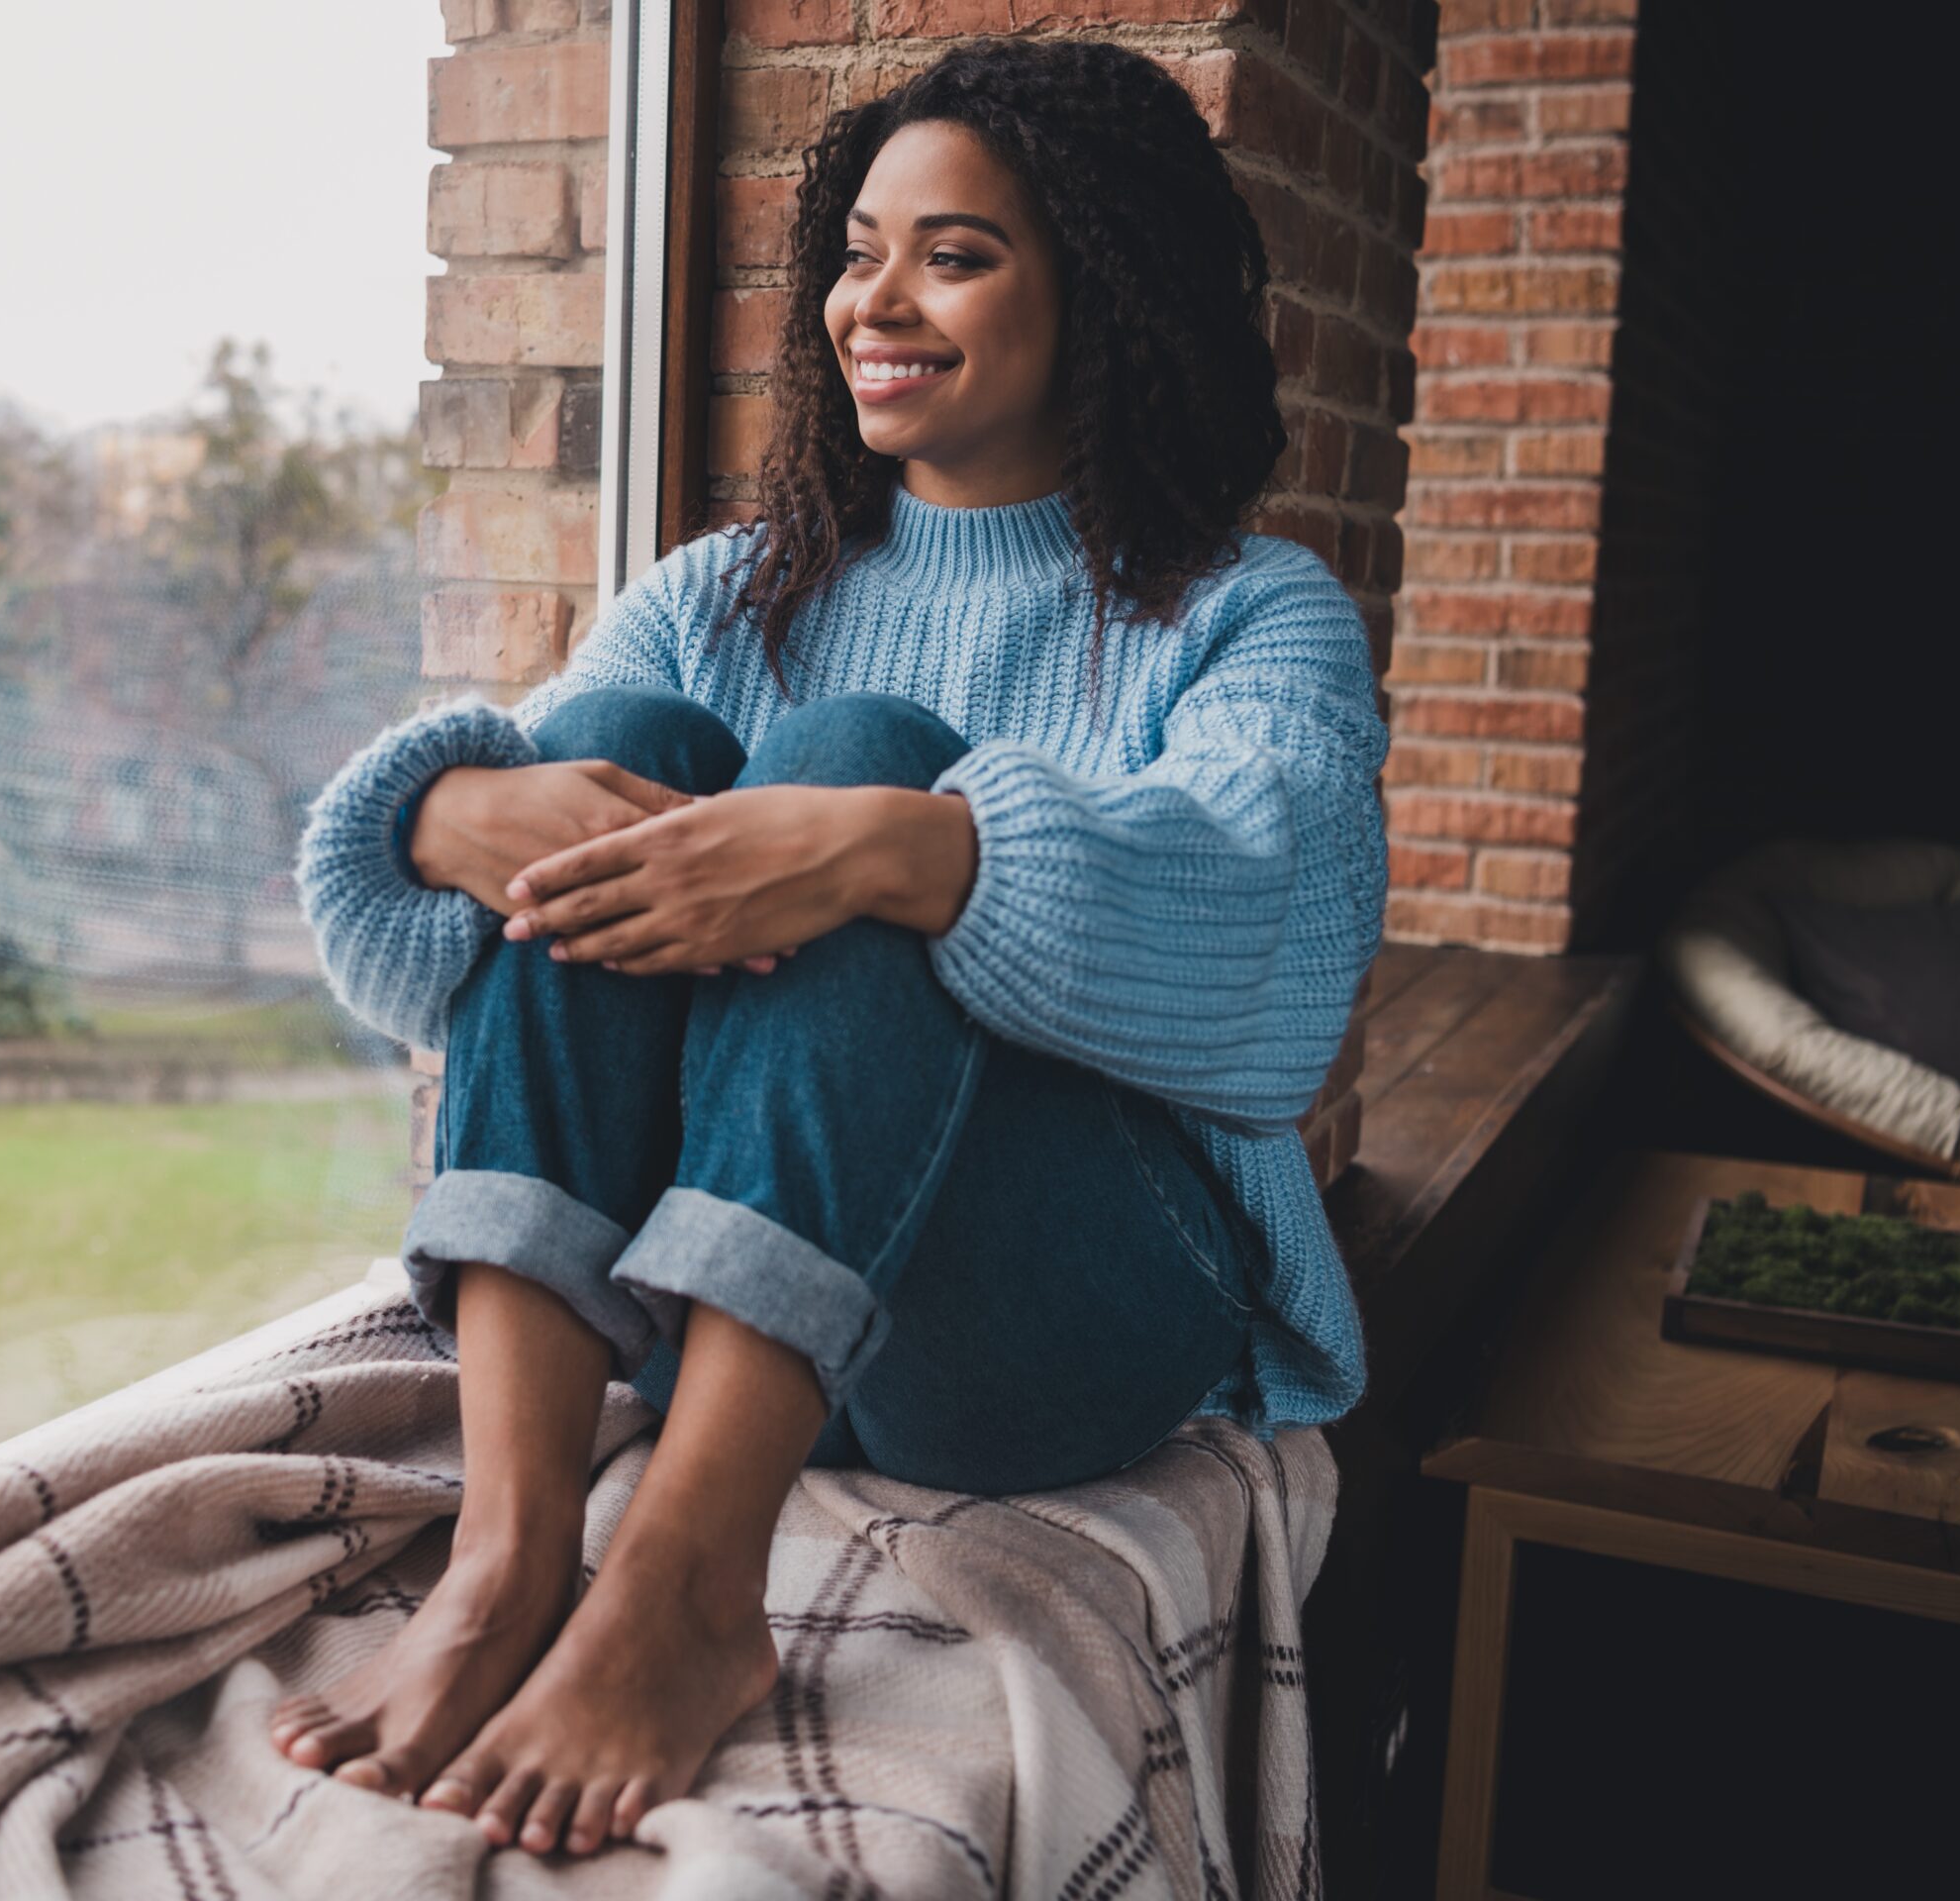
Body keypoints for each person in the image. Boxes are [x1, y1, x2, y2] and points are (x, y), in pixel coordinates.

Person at [270, 35, 1388, 1860]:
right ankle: (507, 1562)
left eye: (956, 254)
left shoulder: (1243, 613)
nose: (878, 298)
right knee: (610, 769)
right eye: (861, 249)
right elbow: (436, 970)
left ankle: (688, 1590)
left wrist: (904, 846)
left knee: (855, 769)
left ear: (1099, 291)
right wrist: (441, 817)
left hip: (1056, 1321)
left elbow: (1278, 962)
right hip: (731, 1314)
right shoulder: (727, 594)